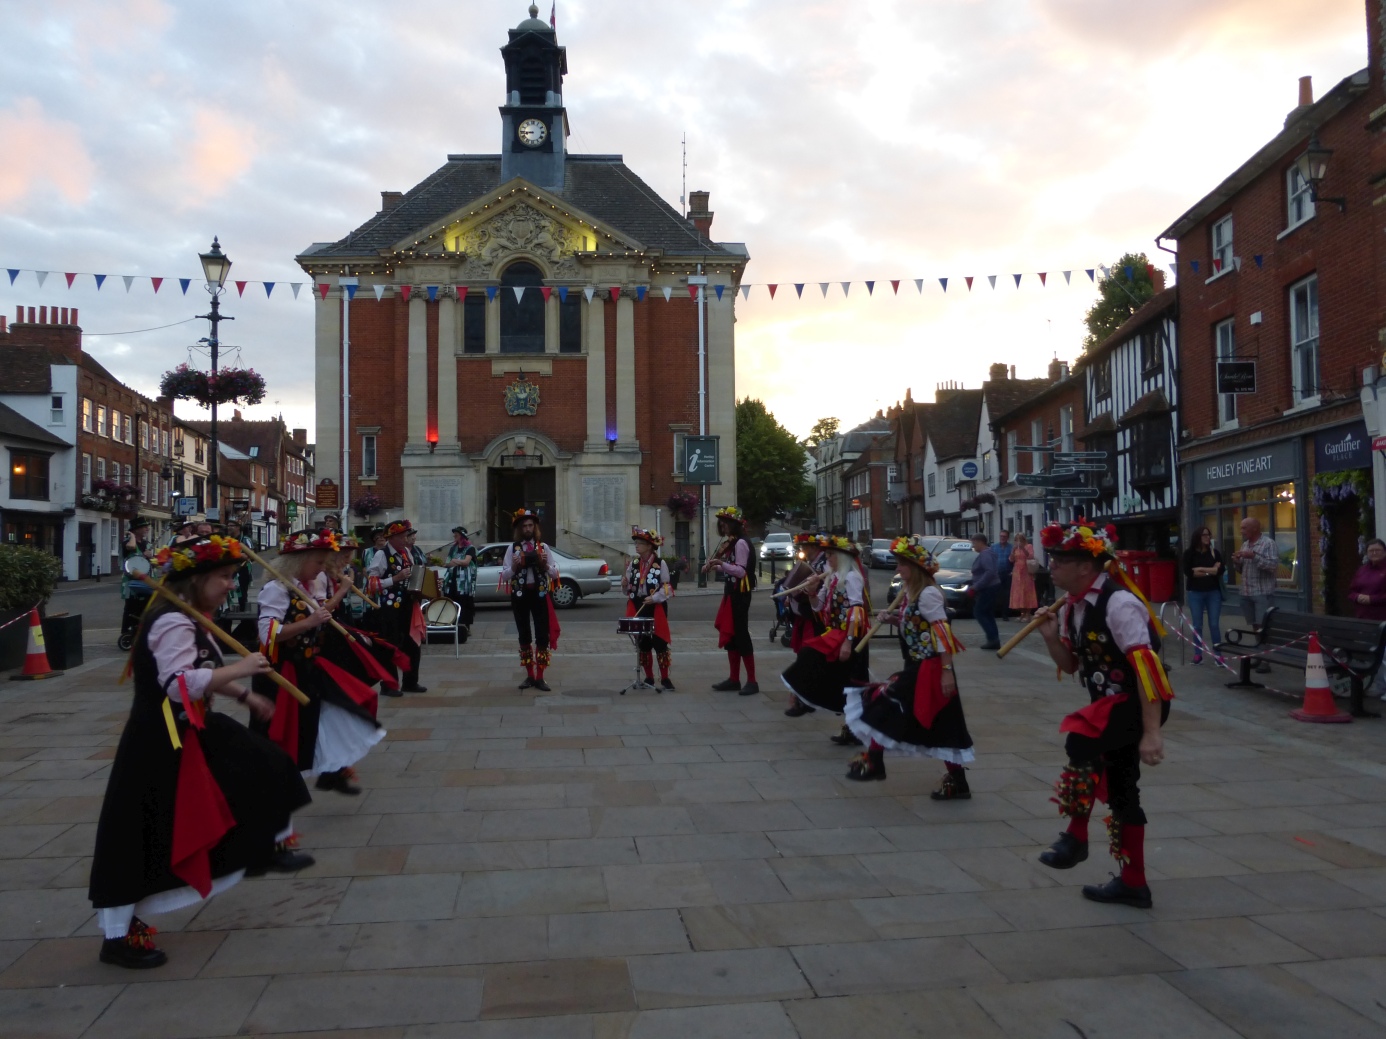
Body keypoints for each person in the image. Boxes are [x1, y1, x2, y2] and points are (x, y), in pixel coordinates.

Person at [88, 535, 313, 969]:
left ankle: (262, 846)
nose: (231, 584)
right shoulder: (173, 620)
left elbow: (204, 671)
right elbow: (178, 684)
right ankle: (118, 936)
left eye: (231, 576)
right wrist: (244, 669)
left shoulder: (191, 616)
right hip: (161, 738)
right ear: (196, 579)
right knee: (144, 831)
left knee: (267, 765)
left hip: (192, 727)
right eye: (223, 577)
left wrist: (245, 695)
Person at [1034, 519, 1173, 910]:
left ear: (1085, 567)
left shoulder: (1119, 604)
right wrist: (1050, 637)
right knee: (1123, 789)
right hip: (1107, 705)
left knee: (1080, 740)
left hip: (1138, 700)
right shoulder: (1073, 606)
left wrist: (1152, 733)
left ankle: (1076, 837)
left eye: (1060, 561)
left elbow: (1147, 671)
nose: (1052, 567)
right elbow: (1072, 665)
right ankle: (1134, 883)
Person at [253, 531, 385, 796]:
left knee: (336, 711)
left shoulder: (304, 587)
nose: (322, 568)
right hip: (281, 672)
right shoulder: (277, 589)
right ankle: (271, 783)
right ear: (299, 561)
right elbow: (266, 634)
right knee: (277, 730)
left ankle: (330, 770)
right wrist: (310, 622)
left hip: (306, 665)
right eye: (318, 562)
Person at [844, 537, 972, 789]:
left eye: (901, 564)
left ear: (915, 568)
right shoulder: (911, 592)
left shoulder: (928, 594)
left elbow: (941, 633)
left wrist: (946, 671)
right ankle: (958, 780)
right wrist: (893, 619)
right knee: (942, 722)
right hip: (917, 665)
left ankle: (875, 761)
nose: (897, 568)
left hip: (930, 667)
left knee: (886, 704)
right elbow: (917, 625)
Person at [781, 536, 871, 728]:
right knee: (814, 658)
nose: (827, 558)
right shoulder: (832, 577)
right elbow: (817, 607)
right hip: (836, 633)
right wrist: (812, 591)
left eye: (831, 554)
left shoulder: (852, 577)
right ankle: (846, 723)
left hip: (851, 636)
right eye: (827, 554)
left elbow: (857, 610)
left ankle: (855, 727)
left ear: (842, 557)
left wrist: (848, 641)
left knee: (852, 682)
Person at [364, 521, 426, 693]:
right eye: (403, 536)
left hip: (408, 606)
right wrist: (395, 579)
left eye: (407, 536)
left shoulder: (406, 553)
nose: (406, 539)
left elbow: (413, 577)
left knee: (412, 645)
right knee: (390, 647)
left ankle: (410, 682)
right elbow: (371, 584)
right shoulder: (381, 555)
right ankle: (389, 685)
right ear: (392, 538)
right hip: (388, 609)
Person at [503, 509, 562, 690]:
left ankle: (540, 677)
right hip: (520, 595)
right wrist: (514, 567)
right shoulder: (512, 548)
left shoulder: (543, 548)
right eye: (524, 526)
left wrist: (545, 564)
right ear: (519, 529)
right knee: (524, 634)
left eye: (530, 525)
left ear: (534, 527)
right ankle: (529, 675)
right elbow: (505, 575)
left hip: (540, 594)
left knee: (542, 634)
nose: (528, 529)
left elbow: (555, 573)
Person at [706, 506, 759, 695]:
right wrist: (717, 567)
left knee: (741, 635)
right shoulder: (734, 542)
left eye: (726, 523)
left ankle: (752, 681)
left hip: (740, 594)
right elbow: (732, 567)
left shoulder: (741, 543)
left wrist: (721, 563)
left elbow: (741, 571)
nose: (723, 527)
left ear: (734, 524)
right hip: (732, 593)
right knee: (733, 637)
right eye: (722, 524)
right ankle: (734, 679)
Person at [781, 533, 831, 715]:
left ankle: (803, 698)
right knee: (805, 655)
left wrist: (805, 592)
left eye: (805, 546)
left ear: (814, 547)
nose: (802, 550)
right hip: (805, 615)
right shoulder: (812, 564)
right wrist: (791, 595)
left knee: (808, 656)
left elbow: (825, 590)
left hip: (815, 618)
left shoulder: (824, 565)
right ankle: (806, 697)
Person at [623, 526, 676, 689]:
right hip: (638, 604)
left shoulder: (660, 564)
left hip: (655, 605)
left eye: (640, 543)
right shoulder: (634, 564)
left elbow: (667, 587)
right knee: (643, 644)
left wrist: (654, 598)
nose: (636, 546)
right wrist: (624, 585)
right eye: (636, 543)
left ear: (649, 546)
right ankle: (649, 677)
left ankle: (665, 678)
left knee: (660, 643)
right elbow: (628, 589)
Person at [1233, 517, 1278, 673]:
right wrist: (1237, 562)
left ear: (1255, 528)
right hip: (1246, 592)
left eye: (1244, 528)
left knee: (1263, 626)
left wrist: (1253, 556)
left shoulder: (1268, 543)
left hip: (1262, 592)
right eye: (1241, 528)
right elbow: (1241, 570)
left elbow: (1272, 566)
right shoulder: (1245, 545)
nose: (1241, 531)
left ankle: (1266, 660)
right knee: (1255, 625)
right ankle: (1260, 655)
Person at [1182, 526, 1225, 665]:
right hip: (1195, 592)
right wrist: (1211, 570)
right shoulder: (1189, 554)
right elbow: (1189, 572)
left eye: (1209, 535)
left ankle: (1218, 654)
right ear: (1198, 537)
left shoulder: (1214, 553)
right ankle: (1198, 654)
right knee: (1197, 625)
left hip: (1213, 592)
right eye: (1205, 535)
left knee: (1214, 624)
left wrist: (1201, 570)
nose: (1208, 537)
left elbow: (1220, 571)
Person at [120, 518, 155, 637]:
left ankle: (141, 631)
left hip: (146, 579)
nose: (147, 529)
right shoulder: (127, 542)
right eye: (144, 527)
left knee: (145, 606)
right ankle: (126, 632)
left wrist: (151, 557)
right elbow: (131, 547)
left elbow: (153, 562)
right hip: (131, 580)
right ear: (136, 529)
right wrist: (132, 536)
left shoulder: (147, 544)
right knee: (131, 606)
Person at [442, 526, 479, 632]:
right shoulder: (453, 548)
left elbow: (466, 562)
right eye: (454, 534)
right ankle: (453, 624)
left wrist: (455, 561)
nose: (454, 536)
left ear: (462, 536)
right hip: (452, 579)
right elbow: (447, 563)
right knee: (452, 600)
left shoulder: (470, 548)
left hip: (464, 582)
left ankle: (466, 626)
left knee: (465, 602)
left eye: (456, 534)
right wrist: (457, 562)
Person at [970, 534, 1001, 650]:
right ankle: (994, 639)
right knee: (988, 613)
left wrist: (976, 586)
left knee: (979, 612)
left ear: (980, 542)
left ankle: (992, 639)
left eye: (974, 543)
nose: (973, 546)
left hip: (988, 587)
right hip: (991, 587)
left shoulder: (985, 554)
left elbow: (989, 572)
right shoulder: (988, 553)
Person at [1009, 531, 1038, 620]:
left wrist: (1023, 549)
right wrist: (1013, 550)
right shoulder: (1015, 548)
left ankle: (1028, 614)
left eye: (1020, 540)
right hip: (1017, 572)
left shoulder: (1029, 546)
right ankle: (1022, 613)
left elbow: (1030, 556)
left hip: (1026, 571)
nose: (1018, 541)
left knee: (1027, 591)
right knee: (1018, 592)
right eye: (1016, 540)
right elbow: (1011, 560)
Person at [992, 529, 1014, 620]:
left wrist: (1013, 571)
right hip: (996, 574)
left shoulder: (1012, 547)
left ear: (1008, 538)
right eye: (1001, 536)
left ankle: (1005, 614)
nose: (1002, 538)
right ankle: (993, 613)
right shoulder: (993, 547)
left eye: (1004, 536)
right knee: (995, 594)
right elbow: (990, 560)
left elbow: (1015, 560)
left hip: (1007, 573)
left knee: (1006, 595)